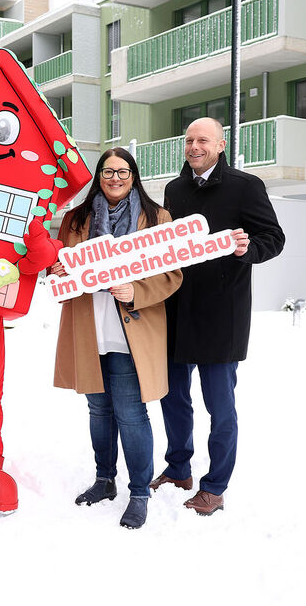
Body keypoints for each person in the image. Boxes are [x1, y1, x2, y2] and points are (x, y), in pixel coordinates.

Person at [151, 117, 285, 515]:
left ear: (221, 145)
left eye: (203, 140)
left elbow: (273, 238)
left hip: (221, 315)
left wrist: (247, 249)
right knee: (173, 399)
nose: (194, 146)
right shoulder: (173, 189)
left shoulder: (246, 186)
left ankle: (214, 487)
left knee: (219, 407)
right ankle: (178, 469)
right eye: (189, 140)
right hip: (175, 312)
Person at [52, 148, 182, 529]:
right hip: (88, 327)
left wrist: (135, 291)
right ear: (99, 175)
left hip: (131, 331)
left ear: (133, 175)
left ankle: (139, 491)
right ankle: (104, 480)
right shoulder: (76, 219)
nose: (115, 178)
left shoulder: (157, 218)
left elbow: (171, 275)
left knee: (130, 413)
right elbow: (58, 267)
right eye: (108, 171)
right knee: (98, 411)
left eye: (123, 171)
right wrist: (58, 269)